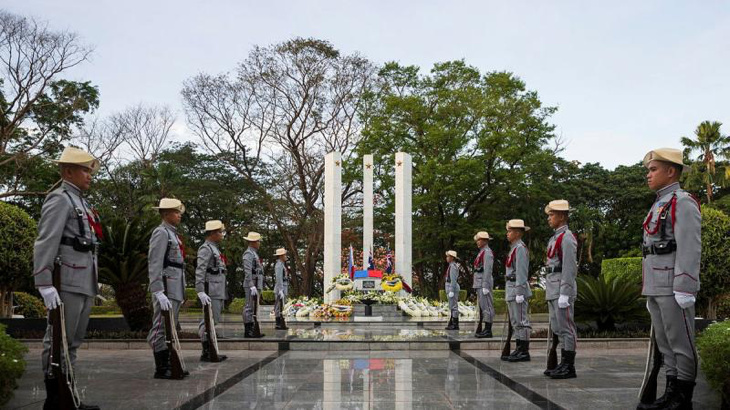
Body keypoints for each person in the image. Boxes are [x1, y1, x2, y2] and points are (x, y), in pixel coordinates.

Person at [34, 146, 101, 410]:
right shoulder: (59, 199)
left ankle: (68, 396)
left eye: (89, 169)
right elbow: (46, 241)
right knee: (57, 340)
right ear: (68, 171)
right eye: (85, 169)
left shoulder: (81, 201)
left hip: (83, 280)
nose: (89, 175)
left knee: (72, 342)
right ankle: (55, 399)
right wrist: (44, 283)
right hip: (67, 280)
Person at [638, 148, 701, 410]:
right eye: (649, 170)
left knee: (681, 342)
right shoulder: (659, 203)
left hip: (673, 285)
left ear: (671, 171)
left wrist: (685, 284)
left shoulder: (682, 201)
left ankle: (683, 396)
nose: (648, 175)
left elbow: (689, 245)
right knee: (665, 342)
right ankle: (671, 391)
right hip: (656, 284)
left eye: (653, 170)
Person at [147, 198, 187, 379]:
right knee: (160, 328)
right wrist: (157, 290)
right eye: (176, 211)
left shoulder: (173, 234)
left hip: (175, 286)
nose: (179, 215)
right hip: (166, 287)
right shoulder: (161, 233)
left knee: (169, 326)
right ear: (165, 214)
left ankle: (167, 363)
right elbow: (155, 262)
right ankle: (161, 367)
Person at [543, 200, 578, 379]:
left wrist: (565, 291)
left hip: (561, 290)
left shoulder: (567, 238)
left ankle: (568, 365)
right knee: (558, 327)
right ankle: (562, 363)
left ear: (562, 216)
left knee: (566, 328)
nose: (549, 218)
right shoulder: (555, 237)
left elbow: (569, 267)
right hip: (553, 288)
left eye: (552, 215)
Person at [195, 220, 228, 362]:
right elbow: (200, 270)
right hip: (211, 289)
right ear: (213, 233)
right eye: (220, 232)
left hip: (217, 288)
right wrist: (200, 290)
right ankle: (206, 350)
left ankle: (210, 349)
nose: (222, 235)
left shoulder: (214, 248)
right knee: (208, 319)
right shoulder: (206, 248)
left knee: (213, 319)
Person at [503, 219, 532, 362]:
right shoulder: (514, 248)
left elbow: (521, 271)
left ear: (518, 233)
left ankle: (524, 351)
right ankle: (519, 348)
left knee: (521, 321)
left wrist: (520, 291)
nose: (507, 234)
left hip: (517, 288)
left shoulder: (520, 248)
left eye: (510, 231)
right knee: (515, 321)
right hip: (511, 287)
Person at [242, 232, 265, 338]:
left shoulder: (254, 253)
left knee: (254, 307)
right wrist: (251, 285)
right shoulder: (248, 254)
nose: (259, 243)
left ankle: (253, 328)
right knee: (249, 307)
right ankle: (248, 330)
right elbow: (247, 271)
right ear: (253, 242)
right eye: (258, 241)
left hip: (257, 283)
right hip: (252, 284)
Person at [473, 231, 495, 338]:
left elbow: (488, 270)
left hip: (483, 283)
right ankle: (485, 328)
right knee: (483, 306)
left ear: (485, 241)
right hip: (479, 282)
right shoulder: (481, 252)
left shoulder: (487, 252)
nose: (477, 242)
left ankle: (488, 329)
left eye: (479, 239)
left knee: (487, 306)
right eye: (477, 240)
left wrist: (485, 285)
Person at [273, 248, 290, 330]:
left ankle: (281, 322)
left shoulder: (282, 264)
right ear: (281, 256)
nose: (286, 256)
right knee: (278, 306)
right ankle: (278, 323)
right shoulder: (279, 265)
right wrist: (280, 289)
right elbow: (279, 278)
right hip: (281, 287)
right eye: (285, 255)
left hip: (283, 286)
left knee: (281, 306)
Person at [444, 250, 460, 330]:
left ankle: (455, 324)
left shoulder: (453, 266)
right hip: (449, 286)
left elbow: (453, 280)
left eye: (448, 256)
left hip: (451, 286)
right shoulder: (451, 265)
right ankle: (452, 323)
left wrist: (451, 290)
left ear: (452, 258)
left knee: (453, 306)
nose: (447, 258)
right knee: (452, 306)